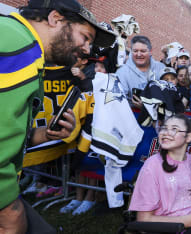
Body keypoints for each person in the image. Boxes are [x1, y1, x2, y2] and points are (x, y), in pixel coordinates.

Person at [0, 0, 115, 233]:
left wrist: (42, 135)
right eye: (85, 37)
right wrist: (8, 208)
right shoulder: (19, 46)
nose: (87, 49)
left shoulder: (17, 39)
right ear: (55, 19)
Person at [116, 35, 166, 108]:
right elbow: (119, 100)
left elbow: (168, 95)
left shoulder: (161, 68)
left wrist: (147, 106)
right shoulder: (122, 72)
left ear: (150, 51)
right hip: (132, 115)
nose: (139, 54)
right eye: (135, 51)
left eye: (143, 51)